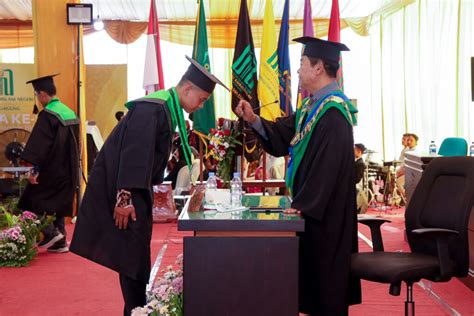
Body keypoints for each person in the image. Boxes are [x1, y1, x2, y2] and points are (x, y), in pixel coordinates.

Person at [70, 56, 229, 315]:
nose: (200, 106)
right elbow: (133, 155)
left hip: (136, 190)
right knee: (131, 257)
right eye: (201, 99)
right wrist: (124, 200)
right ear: (187, 89)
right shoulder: (152, 109)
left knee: (134, 256)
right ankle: (136, 309)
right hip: (127, 193)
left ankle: (136, 308)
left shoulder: (168, 109)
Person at [235, 36, 361, 315]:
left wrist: (302, 207)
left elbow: (325, 172)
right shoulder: (310, 107)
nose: (298, 69)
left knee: (326, 293)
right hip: (310, 213)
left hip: (325, 218)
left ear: (318, 68)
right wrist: (253, 118)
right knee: (310, 290)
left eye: (303, 63)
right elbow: (282, 136)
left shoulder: (334, 114)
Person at [18, 73, 79, 253]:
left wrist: (34, 170)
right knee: (58, 202)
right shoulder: (70, 112)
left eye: (37, 95)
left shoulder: (48, 115)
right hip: (69, 170)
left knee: (30, 200)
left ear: (43, 94)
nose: (38, 99)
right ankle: (61, 242)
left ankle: (51, 233)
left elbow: (40, 146)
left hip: (51, 170)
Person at [354, 143, 368, 213]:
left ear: (359, 152)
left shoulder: (360, 163)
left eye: (354, 150)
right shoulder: (357, 161)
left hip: (356, 187)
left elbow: (357, 179)